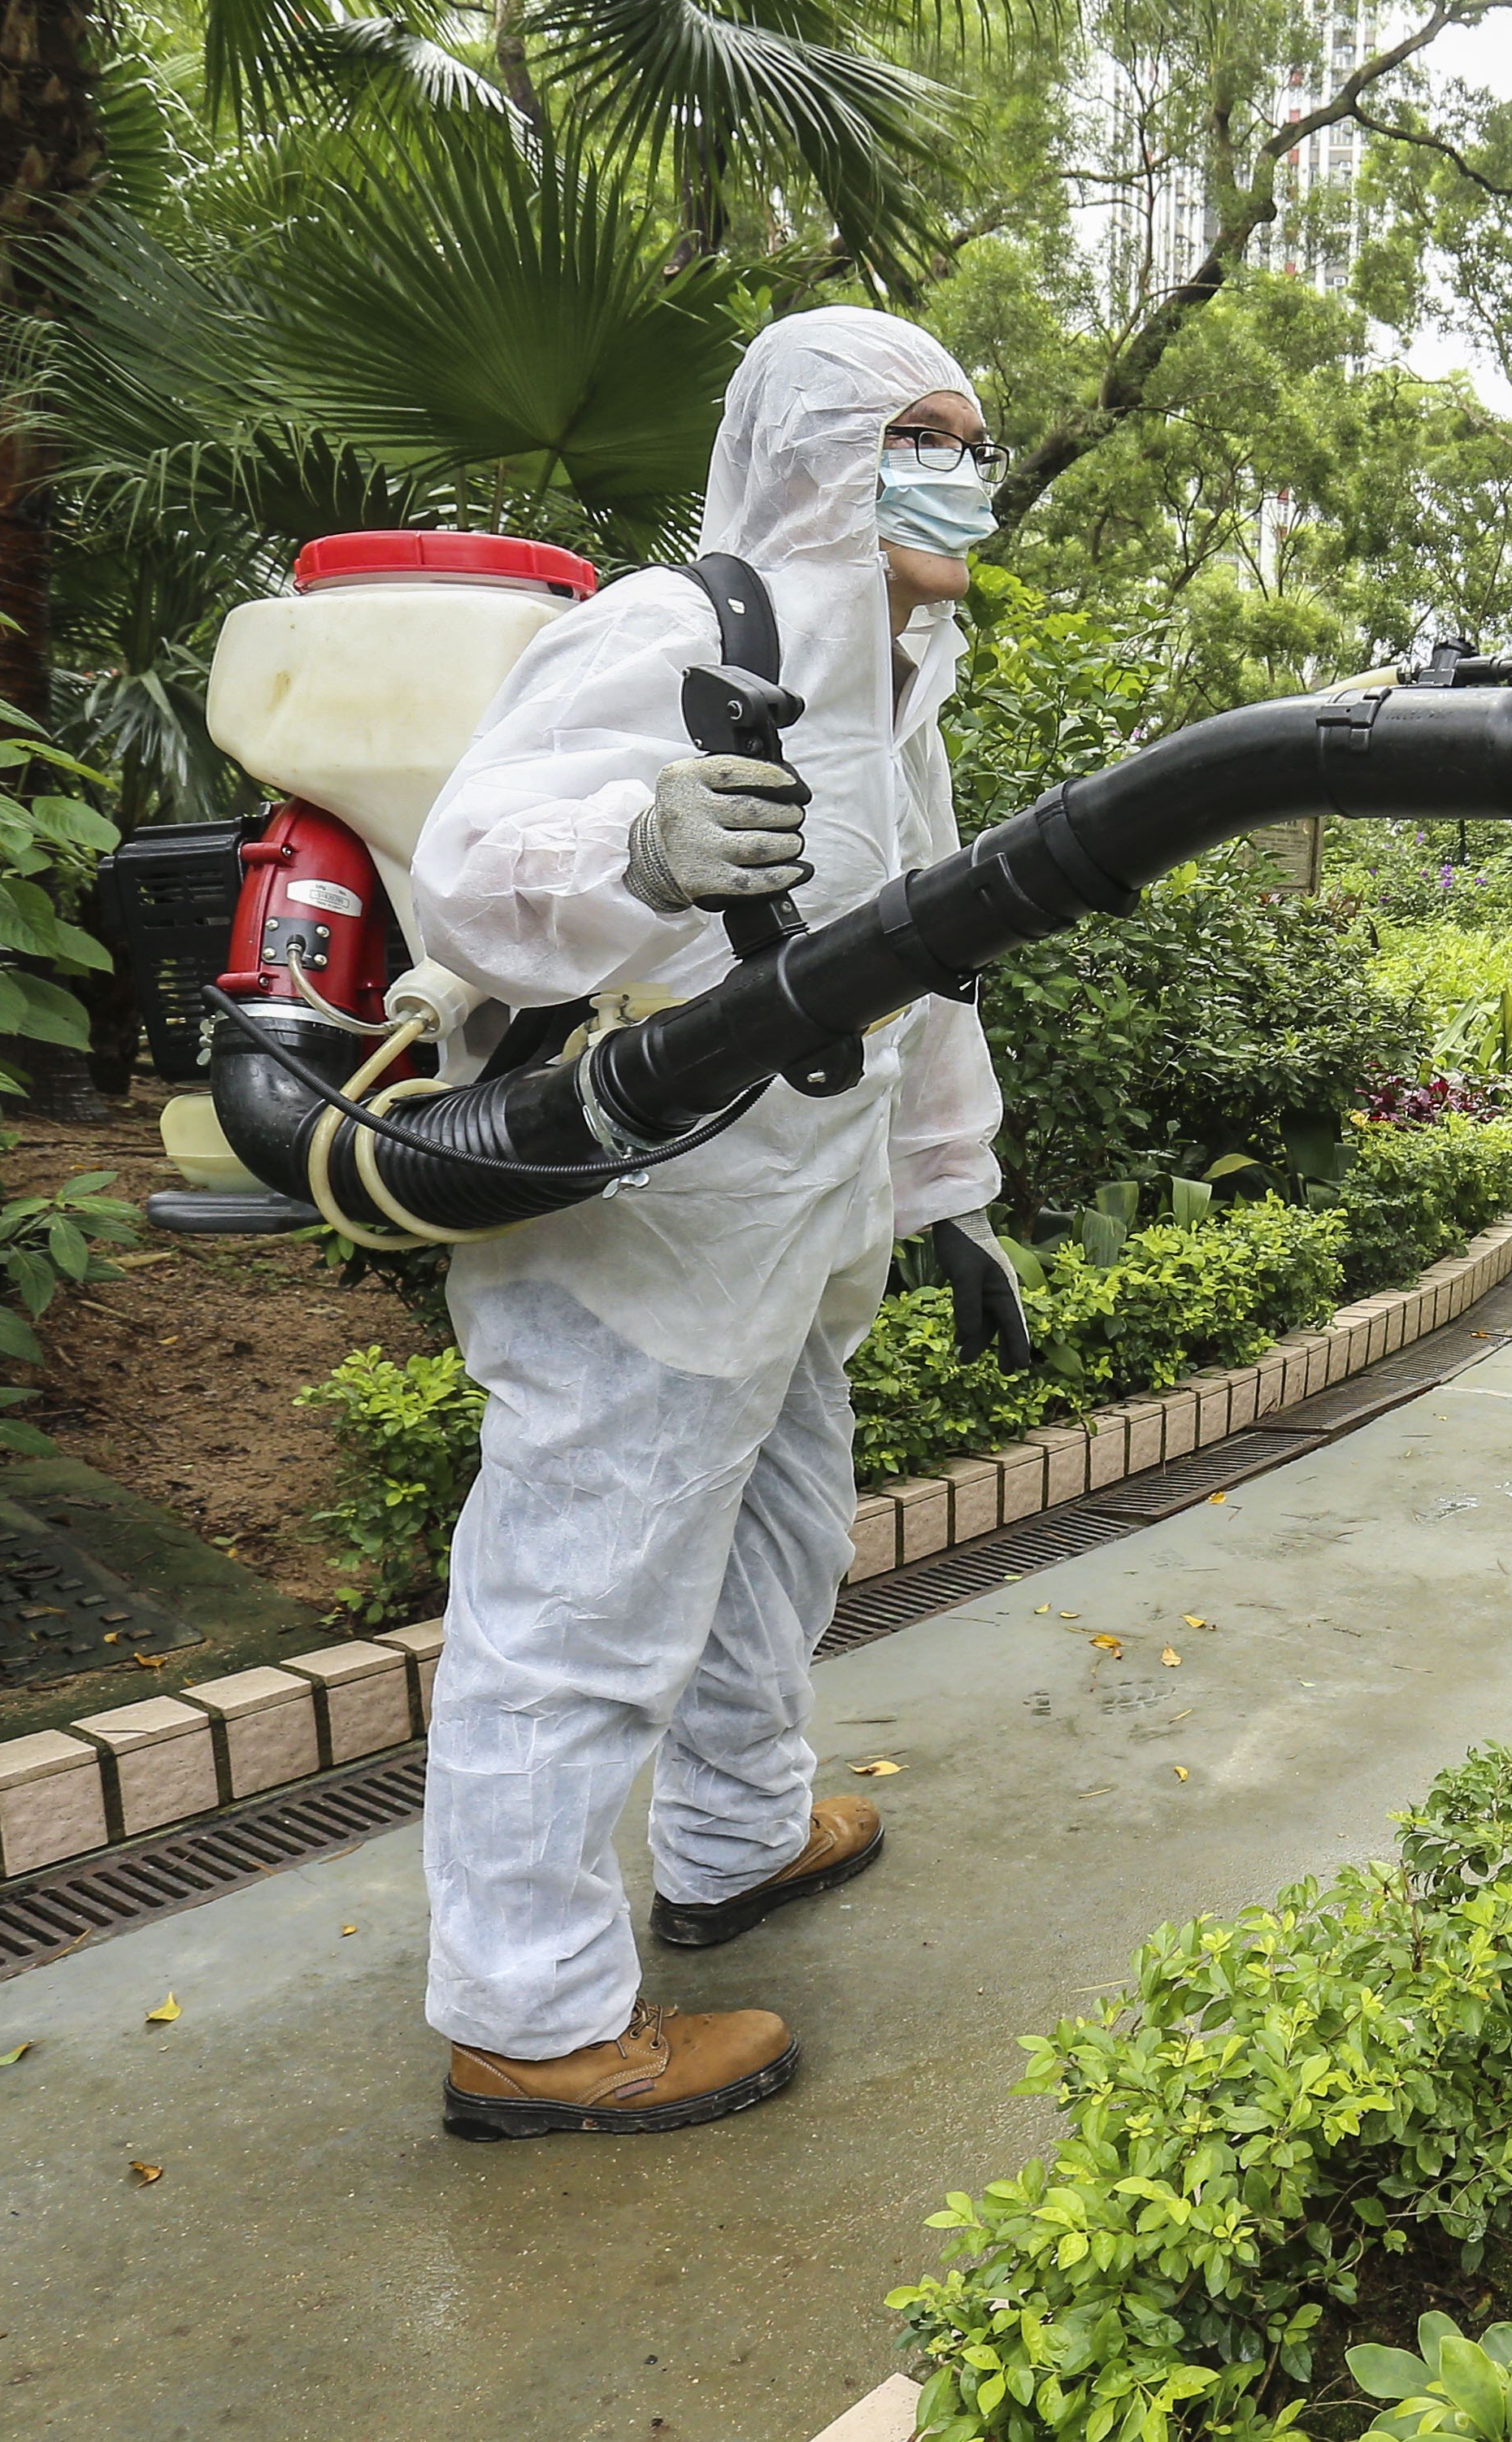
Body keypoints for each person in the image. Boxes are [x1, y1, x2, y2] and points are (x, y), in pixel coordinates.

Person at [403, 309, 1035, 2139]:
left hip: (797, 1223)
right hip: (649, 1222)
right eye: (919, 431)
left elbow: (925, 974)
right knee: (582, 1590)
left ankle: (738, 1834)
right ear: (819, 451)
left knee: (781, 1540)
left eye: (973, 439)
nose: (959, 469)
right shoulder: (677, 633)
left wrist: (957, 1199)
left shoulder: (901, 692)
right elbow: (469, 866)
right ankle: (526, 2017)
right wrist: (637, 846)